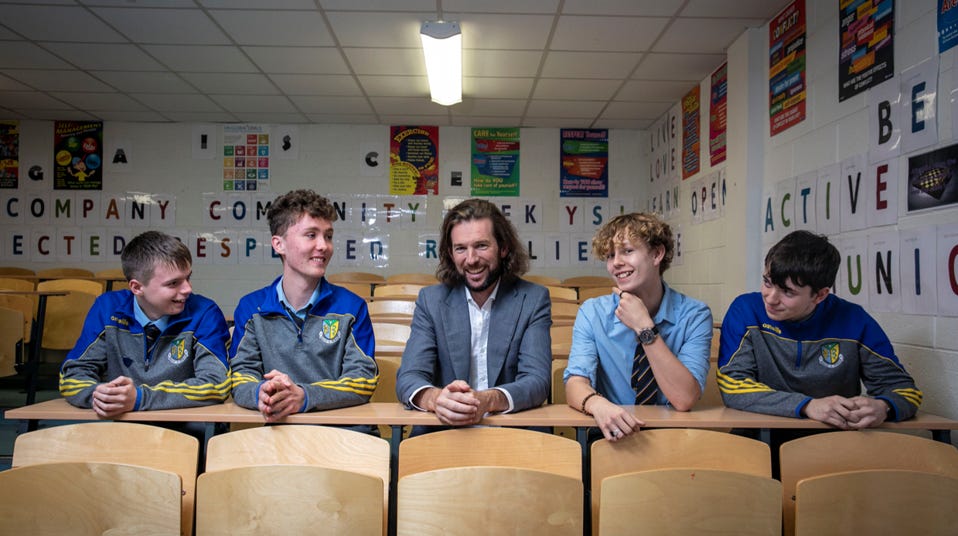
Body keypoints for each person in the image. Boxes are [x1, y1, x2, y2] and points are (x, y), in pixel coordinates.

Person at [717, 230, 922, 428]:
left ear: (820, 295)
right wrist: (807, 405)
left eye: (788, 292)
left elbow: (905, 391)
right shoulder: (745, 310)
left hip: (833, 444)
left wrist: (883, 406)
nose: (770, 298)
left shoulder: (855, 320)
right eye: (767, 282)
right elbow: (733, 385)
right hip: (761, 438)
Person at [396, 198, 552, 430]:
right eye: (461, 248)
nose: (471, 259)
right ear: (450, 253)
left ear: (504, 247)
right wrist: (437, 399)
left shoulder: (533, 299)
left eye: (481, 245)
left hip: (513, 433)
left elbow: (537, 382)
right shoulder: (431, 301)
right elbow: (409, 377)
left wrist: (486, 400)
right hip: (444, 431)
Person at [229, 189, 377, 424]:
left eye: (328, 236)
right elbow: (240, 377)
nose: (323, 246)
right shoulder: (251, 308)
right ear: (279, 244)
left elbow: (361, 381)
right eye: (311, 235)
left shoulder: (352, 307)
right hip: (274, 432)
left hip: (341, 436)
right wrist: (264, 393)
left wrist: (303, 396)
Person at [564, 213, 713, 442]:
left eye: (627, 251)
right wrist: (597, 404)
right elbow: (576, 383)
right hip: (611, 434)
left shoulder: (695, 316)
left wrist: (645, 327)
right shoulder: (593, 312)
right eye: (610, 256)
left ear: (656, 254)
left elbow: (684, 399)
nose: (616, 263)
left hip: (673, 437)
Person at [60, 231, 231, 416]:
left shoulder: (204, 313)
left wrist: (140, 398)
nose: (188, 289)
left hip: (184, 426)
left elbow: (217, 383)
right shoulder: (108, 309)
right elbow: (72, 375)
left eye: (188, 278)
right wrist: (101, 395)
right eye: (173, 283)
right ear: (137, 287)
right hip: (119, 426)